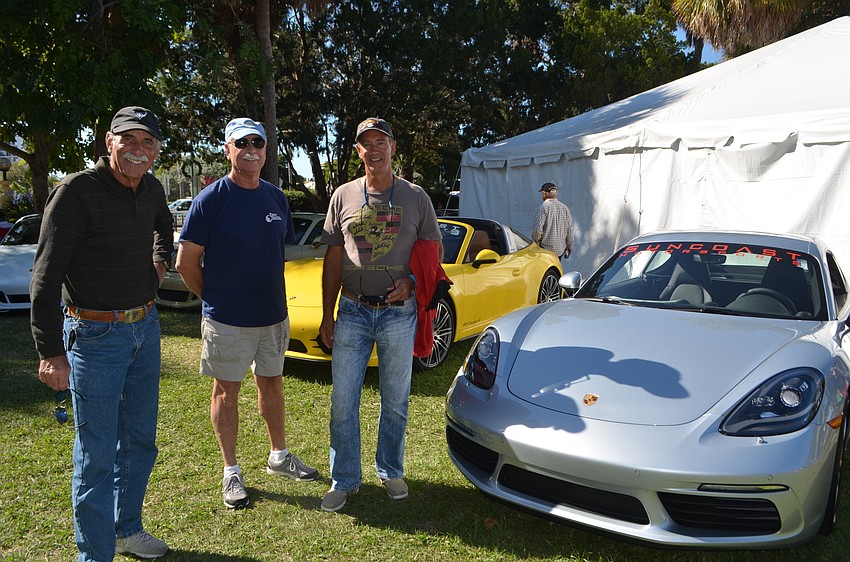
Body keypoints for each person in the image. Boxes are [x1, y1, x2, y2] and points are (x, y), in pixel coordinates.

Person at [30, 106, 173, 561]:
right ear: (108, 142)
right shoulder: (75, 192)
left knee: (139, 442)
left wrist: (159, 260)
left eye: (147, 142)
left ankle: (126, 529)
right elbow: (45, 276)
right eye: (128, 139)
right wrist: (51, 352)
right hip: (92, 337)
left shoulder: (151, 188)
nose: (138, 150)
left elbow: (163, 224)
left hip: (144, 331)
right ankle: (94, 555)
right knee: (95, 458)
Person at [176, 117, 319, 510]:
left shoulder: (275, 198)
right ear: (228, 150)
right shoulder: (211, 199)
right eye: (242, 143)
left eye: (258, 142)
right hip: (227, 319)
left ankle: (278, 455)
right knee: (227, 391)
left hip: (273, 316)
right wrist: (215, 297)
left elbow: (277, 252)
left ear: (266, 149)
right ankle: (231, 471)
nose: (251, 149)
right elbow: (186, 261)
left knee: (271, 384)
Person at [318, 117, 442, 512]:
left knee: (396, 399)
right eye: (366, 144)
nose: (374, 149)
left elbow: (432, 254)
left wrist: (414, 285)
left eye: (380, 142)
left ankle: (390, 468)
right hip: (352, 310)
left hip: (398, 314)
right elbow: (333, 257)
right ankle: (345, 478)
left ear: (392, 146)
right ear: (358, 151)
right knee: (343, 399)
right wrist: (326, 315)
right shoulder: (342, 196)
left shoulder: (416, 196)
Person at [532, 182, 573, 263]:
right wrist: (569, 244)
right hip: (560, 250)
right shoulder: (564, 208)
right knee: (556, 271)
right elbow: (570, 229)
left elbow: (537, 229)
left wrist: (536, 241)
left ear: (544, 194)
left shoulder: (543, 208)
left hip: (546, 249)